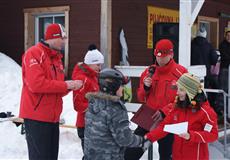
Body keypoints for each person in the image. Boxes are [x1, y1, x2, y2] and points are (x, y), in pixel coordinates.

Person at [19, 23, 83, 160]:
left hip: (52, 118)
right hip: (37, 118)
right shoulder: (34, 53)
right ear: (53, 37)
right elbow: (36, 84)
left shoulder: (57, 59)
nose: (65, 42)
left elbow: (56, 88)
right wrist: (66, 85)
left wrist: (71, 86)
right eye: (63, 38)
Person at [125, 39, 187, 160]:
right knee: (131, 153)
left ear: (171, 54)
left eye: (163, 57)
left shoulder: (181, 73)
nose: (160, 60)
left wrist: (165, 111)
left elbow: (184, 99)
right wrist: (145, 88)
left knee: (166, 154)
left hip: (169, 118)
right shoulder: (149, 72)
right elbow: (140, 97)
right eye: (157, 56)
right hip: (149, 117)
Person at [145, 73, 218, 160]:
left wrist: (190, 136)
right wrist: (148, 138)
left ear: (191, 92)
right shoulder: (177, 107)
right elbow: (164, 127)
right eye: (178, 89)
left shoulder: (205, 112)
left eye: (181, 90)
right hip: (177, 156)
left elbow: (213, 135)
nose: (177, 92)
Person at [84, 68, 147, 160]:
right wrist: (142, 140)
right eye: (121, 85)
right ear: (113, 86)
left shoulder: (93, 103)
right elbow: (125, 139)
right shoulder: (115, 108)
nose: (123, 88)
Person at [72, 44, 104, 159]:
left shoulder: (93, 76)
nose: (100, 68)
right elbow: (78, 105)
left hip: (94, 124)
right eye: (98, 64)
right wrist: (97, 106)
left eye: (101, 65)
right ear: (90, 63)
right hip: (85, 125)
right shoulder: (82, 79)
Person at [191, 27, 219, 113]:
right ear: (205, 35)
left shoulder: (191, 44)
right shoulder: (209, 46)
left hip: (192, 73)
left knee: (193, 92)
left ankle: (194, 109)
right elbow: (214, 59)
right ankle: (205, 110)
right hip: (205, 74)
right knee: (205, 91)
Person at [219, 27, 230, 93]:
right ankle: (221, 103)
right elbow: (225, 56)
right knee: (223, 87)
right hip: (224, 68)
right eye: (228, 35)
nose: (229, 37)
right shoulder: (222, 45)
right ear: (225, 36)